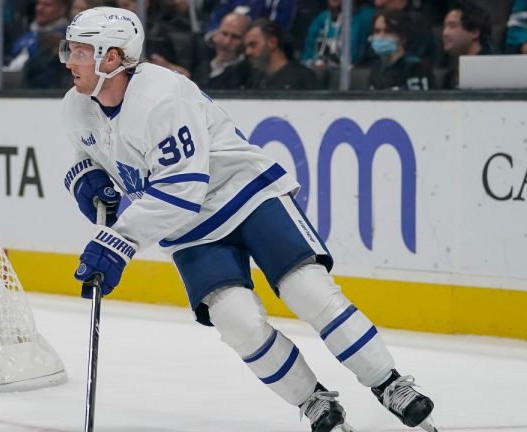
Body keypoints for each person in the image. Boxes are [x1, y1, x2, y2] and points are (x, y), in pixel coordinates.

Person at [59, 7, 437, 432]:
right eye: (69, 49)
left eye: (79, 50)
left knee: (307, 291)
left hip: (245, 193)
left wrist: (119, 241)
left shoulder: (162, 95)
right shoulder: (77, 107)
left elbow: (183, 188)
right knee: (236, 321)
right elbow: (89, 152)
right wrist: (84, 177)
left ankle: (389, 384)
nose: (69, 60)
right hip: (190, 229)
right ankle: (312, 400)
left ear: (112, 58)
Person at [245, 18, 321, 89]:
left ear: (272, 42)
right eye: (246, 47)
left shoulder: (302, 78)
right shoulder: (254, 81)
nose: (247, 52)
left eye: (253, 45)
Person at [367, 9, 433, 90]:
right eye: (377, 31)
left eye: (388, 31)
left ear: (402, 37)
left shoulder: (416, 68)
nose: (381, 36)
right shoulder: (375, 70)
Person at [301, 0, 375, 68]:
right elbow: (308, 55)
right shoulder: (321, 19)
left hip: (352, 75)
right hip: (318, 74)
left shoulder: (364, 17)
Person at [441, 0, 493, 89]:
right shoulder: (450, 76)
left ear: (474, 32)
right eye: (444, 27)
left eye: (452, 26)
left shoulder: (493, 70)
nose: (445, 33)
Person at [194, 12, 253, 89]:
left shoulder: (248, 74)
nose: (227, 42)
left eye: (235, 37)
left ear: (245, 40)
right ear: (216, 34)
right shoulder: (203, 67)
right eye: (224, 34)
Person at [7, 0, 69, 71]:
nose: (39, 8)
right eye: (38, 4)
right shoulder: (27, 34)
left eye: (47, 5)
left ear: (62, 10)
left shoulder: (66, 37)